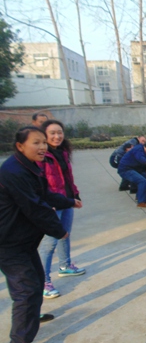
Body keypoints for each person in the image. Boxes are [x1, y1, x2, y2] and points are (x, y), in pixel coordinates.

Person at [0, 127, 82, 343]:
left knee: (35, 282)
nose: (43, 147)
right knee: (25, 290)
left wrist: (68, 201)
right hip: (8, 243)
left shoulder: (30, 167)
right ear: (20, 146)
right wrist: (59, 231)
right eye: (36, 143)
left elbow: (44, 194)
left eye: (43, 142)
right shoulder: (14, 172)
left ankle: (31, 317)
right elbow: (35, 207)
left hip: (23, 241)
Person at [37, 120, 85, 299]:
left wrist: (75, 195)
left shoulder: (62, 152)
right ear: (44, 135)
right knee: (49, 244)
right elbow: (39, 184)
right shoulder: (42, 155)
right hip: (52, 204)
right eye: (52, 133)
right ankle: (43, 281)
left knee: (65, 234)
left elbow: (68, 177)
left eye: (60, 132)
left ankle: (65, 266)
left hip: (66, 201)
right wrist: (46, 204)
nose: (57, 136)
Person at [117, 141, 146, 207]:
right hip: (126, 169)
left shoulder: (141, 149)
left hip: (134, 169)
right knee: (142, 181)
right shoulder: (138, 150)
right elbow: (142, 160)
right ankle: (141, 202)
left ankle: (139, 196)